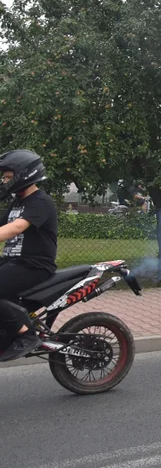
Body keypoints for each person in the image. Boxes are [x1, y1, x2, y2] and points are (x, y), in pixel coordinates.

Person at [0, 150, 57, 362]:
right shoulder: (17, 203)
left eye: (7, 177)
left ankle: (27, 334)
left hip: (35, 265)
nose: (4, 181)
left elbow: (15, 228)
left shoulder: (40, 201)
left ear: (23, 174)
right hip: (14, 262)